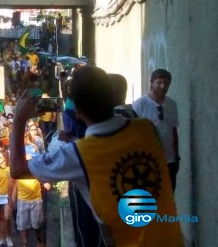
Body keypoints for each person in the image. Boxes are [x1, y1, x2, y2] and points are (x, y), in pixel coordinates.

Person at [10, 66, 183, 247]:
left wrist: (19, 120)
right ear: (113, 98)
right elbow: (111, 148)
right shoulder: (147, 128)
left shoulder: (78, 155)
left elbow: (16, 169)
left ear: (76, 110)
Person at [133, 68, 180, 192]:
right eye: (159, 82)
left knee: (168, 195)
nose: (163, 86)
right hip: (147, 161)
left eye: (166, 83)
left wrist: (176, 157)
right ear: (151, 83)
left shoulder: (172, 104)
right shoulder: (139, 104)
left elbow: (173, 130)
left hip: (169, 161)